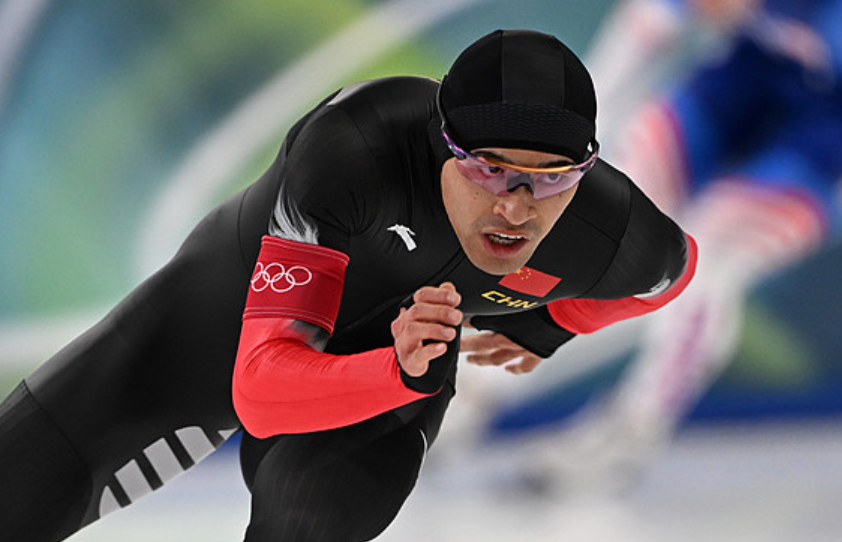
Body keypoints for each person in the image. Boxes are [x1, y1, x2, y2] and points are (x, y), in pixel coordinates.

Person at [0, 29, 696, 541]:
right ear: (442, 144)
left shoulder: (609, 230)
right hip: (218, 322)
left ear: (585, 170)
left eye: (551, 178)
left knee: (311, 521)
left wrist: (551, 325)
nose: (516, 207)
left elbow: (676, 272)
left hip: (387, 378)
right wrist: (399, 371)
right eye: (488, 168)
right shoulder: (358, 148)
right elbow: (260, 393)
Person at [508, 0, 842, 492]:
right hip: (730, 96)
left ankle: (634, 428)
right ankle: (477, 390)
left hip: (817, 150)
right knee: (614, 206)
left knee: (707, 261)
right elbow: (638, 36)